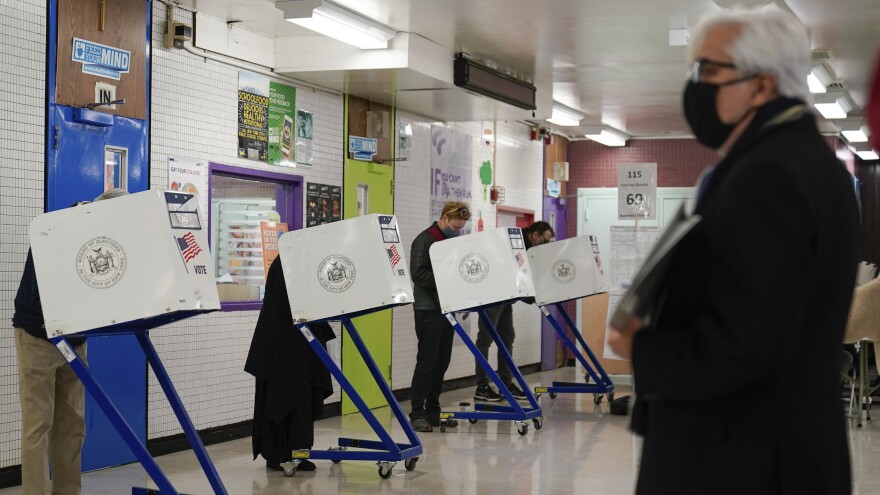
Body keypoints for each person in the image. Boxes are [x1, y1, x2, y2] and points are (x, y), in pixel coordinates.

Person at [608, 9, 859, 494]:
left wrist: (642, 346)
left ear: (761, 86)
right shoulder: (816, 168)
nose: (694, 86)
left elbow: (749, 343)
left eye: (707, 71)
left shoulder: (767, 177)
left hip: (740, 458)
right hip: (781, 448)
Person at [12, 187, 129, 495]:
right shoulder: (59, 228)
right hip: (37, 336)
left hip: (74, 342)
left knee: (72, 426)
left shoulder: (102, 238)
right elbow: (43, 294)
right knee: (39, 425)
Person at [245, 255, 335, 472]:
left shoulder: (297, 260)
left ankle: (298, 453)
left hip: (297, 343)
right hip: (280, 345)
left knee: (301, 401)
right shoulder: (287, 262)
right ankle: (277, 454)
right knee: (283, 398)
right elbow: (284, 301)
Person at [473, 221, 554, 402]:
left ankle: (506, 383)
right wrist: (529, 297)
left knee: (507, 338)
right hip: (491, 298)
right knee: (485, 340)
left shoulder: (527, 248)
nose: (545, 245)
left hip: (506, 299)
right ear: (535, 235)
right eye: (545, 240)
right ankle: (482, 386)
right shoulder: (512, 242)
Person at [409, 201, 471, 432]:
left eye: (460, 228)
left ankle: (433, 410)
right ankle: (417, 413)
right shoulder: (424, 240)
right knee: (427, 362)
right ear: (444, 219)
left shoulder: (448, 242)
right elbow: (418, 274)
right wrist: (445, 280)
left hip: (447, 308)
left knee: (442, 361)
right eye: (455, 226)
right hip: (428, 309)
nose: (456, 231)